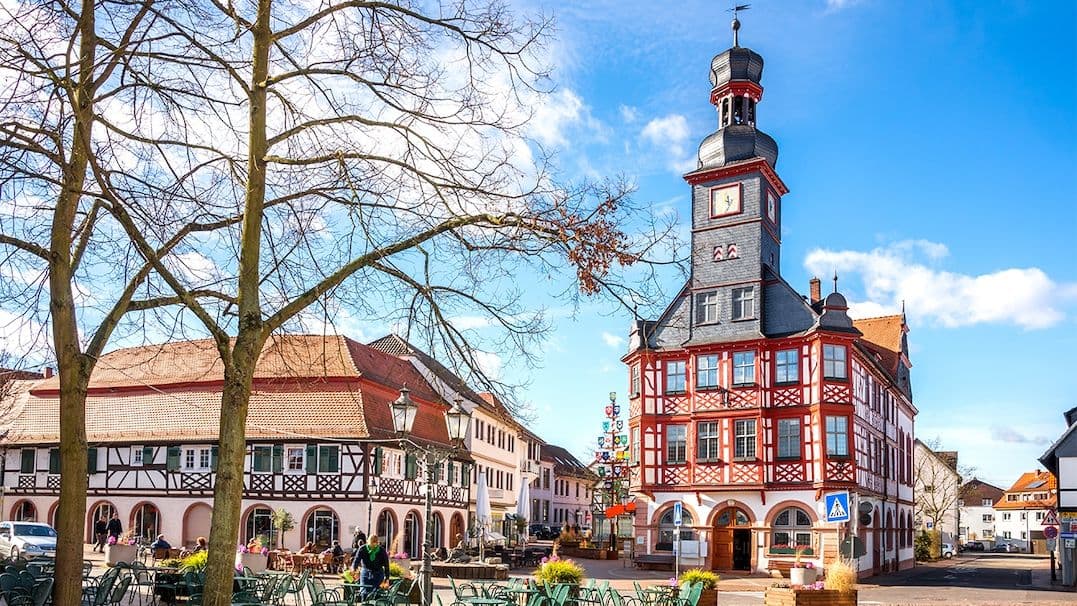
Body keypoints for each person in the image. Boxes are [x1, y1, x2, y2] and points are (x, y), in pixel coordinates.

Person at [353, 535, 389, 599]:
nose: (373, 545)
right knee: (364, 592)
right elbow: (356, 560)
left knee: (376, 593)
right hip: (365, 573)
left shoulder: (381, 550)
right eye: (372, 542)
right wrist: (354, 569)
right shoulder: (362, 549)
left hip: (378, 574)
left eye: (375, 542)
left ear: (377, 542)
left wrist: (387, 577)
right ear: (368, 542)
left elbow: (386, 565)